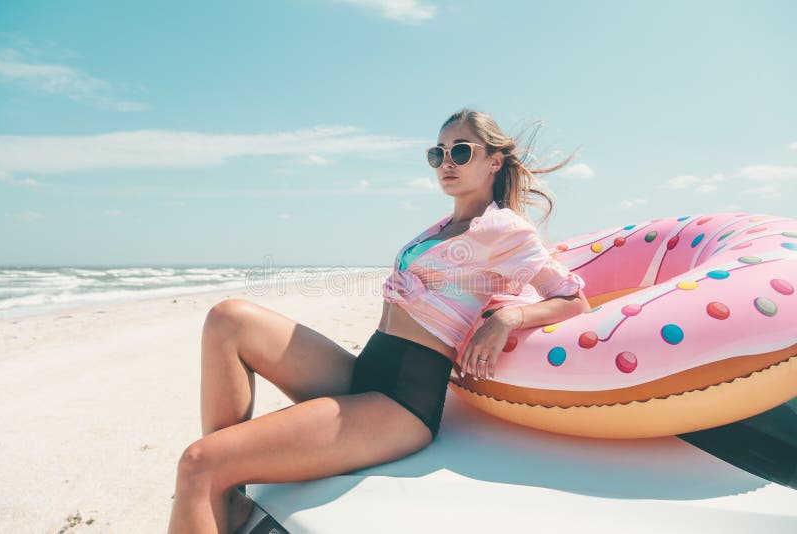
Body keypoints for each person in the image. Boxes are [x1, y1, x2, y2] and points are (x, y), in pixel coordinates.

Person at [167, 108, 590, 533]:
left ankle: (216, 488)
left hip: (402, 403)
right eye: (437, 153)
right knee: (228, 318)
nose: (446, 162)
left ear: (494, 161)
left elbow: (573, 298)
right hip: (368, 370)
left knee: (199, 463)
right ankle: (230, 501)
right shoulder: (442, 227)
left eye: (461, 151)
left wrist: (508, 318)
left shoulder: (504, 229)